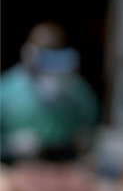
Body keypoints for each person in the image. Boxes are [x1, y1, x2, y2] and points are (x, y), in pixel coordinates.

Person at [0, 22, 98, 163]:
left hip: (65, 168)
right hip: (20, 167)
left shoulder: (77, 89)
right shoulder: (7, 90)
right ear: (29, 54)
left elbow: (91, 126)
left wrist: (85, 141)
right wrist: (8, 145)